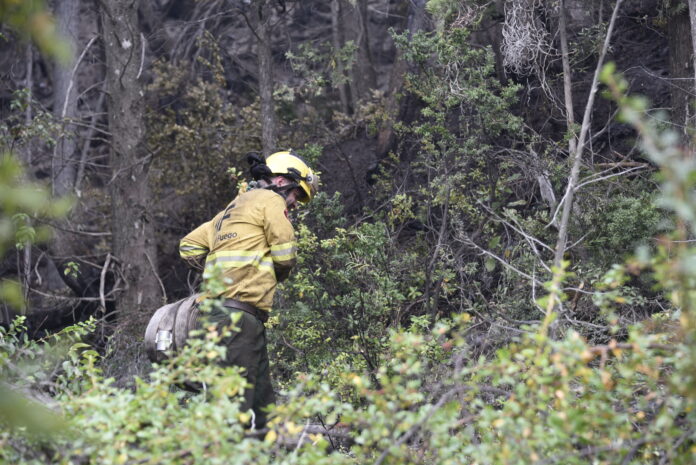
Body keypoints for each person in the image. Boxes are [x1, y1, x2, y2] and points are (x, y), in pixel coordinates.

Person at [178, 151, 319, 429]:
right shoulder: (270, 200)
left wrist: (222, 271)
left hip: (224, 317)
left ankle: (265, 448)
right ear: (281, 181)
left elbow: (188, 246)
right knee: (234, 410)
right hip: (238, 318)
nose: (294, 203)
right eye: (296, 194)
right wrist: (272, 273)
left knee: (261, 407)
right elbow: (285, 254)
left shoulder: (229, 211)